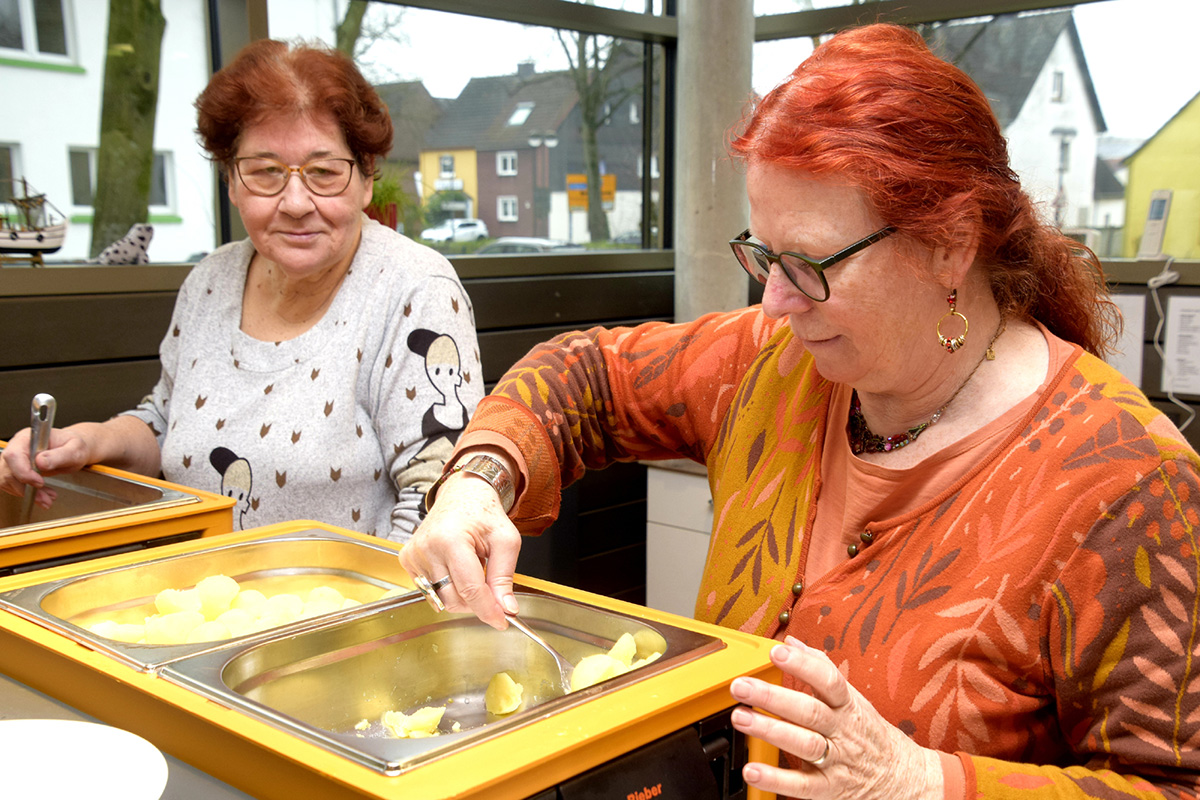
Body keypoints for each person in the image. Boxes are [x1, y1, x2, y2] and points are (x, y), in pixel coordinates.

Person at [399, 22, 1200, 800]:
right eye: (762, 255)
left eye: (810, 264)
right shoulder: (772, 365)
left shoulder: (1129, 484)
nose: (774, 302)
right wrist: (478, 482)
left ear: (951, 244)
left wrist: (924, 782)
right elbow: (586, 374)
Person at [0, 40, 482, 541]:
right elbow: (165, 422)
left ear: (364, 179)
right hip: (211, 600)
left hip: (357, 608)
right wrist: (86, 441)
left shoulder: (413, 287)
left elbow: (440, 502)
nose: (296, 201)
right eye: (266, 172)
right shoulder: (210, 281)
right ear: (231, 181)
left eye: (323, 172)